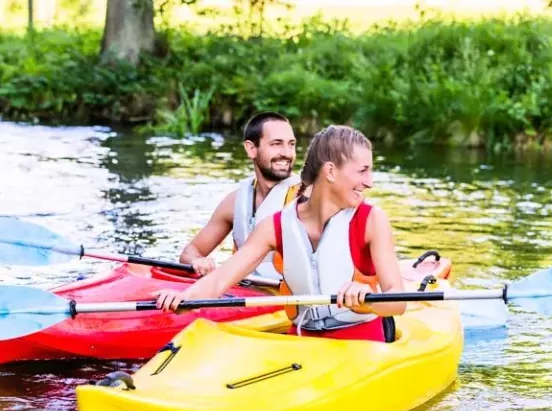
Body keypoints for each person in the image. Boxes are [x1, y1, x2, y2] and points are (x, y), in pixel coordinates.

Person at [156, 125, 406, 343]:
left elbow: (398, 301)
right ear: (330, 172)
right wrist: (184, 299)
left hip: (363, 340)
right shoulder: (275, 226)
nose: (370, 182)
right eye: (362, 171)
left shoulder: (372, 220)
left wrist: (369, 299)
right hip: (302, 340)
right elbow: (220, 279)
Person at [179, 111, 302, 280]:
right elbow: (190, 252)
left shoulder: (307, 198)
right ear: (251, 149)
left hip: (286, 294)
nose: (287, 153)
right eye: (276, 144)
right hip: (242, 290)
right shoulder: (235, 202)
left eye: (291, 144)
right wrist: (198, 261)